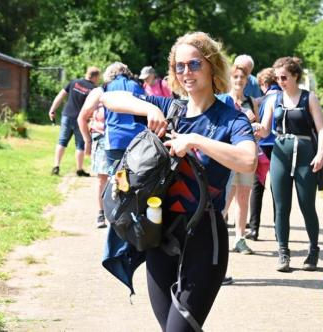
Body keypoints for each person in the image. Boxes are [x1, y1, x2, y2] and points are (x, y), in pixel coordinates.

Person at [100, 31, 256, 331]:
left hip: (204, 237)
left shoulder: (230, 119)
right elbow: (107, 97)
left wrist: (196, 140)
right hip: (159, 237)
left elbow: (247, 159)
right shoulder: (170, 109)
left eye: (194, 64)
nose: (186, 72)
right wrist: (148, 108)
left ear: (211, 66)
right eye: (179, 66)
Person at [266, 57, 323, 272]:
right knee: (281, 206)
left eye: (284, 77)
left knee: (306, 205)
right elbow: (265, 129)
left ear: (295, 76)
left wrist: (319, 153)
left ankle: (313, 250)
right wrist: (253, 127)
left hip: (305, 154)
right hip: (280, 154)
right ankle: (283, 252)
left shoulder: (309, 98)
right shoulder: (274, 99)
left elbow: (321, 128)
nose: (280, 81)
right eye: (278, 78)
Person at [223, 64, 258, 254]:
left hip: (246, 156)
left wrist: (257, 126)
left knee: (243, 197)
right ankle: (218, 237)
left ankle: (240, 238)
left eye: (241, 77)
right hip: (228, 155)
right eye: (235, 77)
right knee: (226, 198)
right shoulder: (224, 100)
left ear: (246, 80)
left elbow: (259, 129)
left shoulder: (252, 101)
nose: (238, 80)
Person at [78, 66, 118, 228]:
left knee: (118, 179)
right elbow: (82, 117)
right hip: (101, 138)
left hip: (119, 140)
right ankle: (101, 214)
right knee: (102, 178)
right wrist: (87, 141)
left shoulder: (127, 92)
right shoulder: (99, 92)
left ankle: (117, 214)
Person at [246, 67, 281, 241]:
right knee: (278, 189)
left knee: (257, 187)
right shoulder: (284, 97)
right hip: (281, 146)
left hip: (263, 145)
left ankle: (254, 228)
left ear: (263, 83)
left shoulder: (265, 99)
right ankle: (279, 228)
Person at [49, 67, 101, 176]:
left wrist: (52, 109)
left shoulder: (74, 82)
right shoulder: (94, 90)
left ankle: (56, 166)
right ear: (95, 77)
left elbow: (61, 95)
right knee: (80, 144)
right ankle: (79, 169)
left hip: (67, 116)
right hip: (81, 120)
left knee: (62, 141)